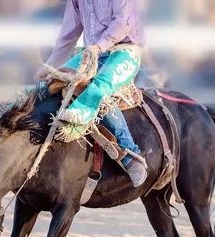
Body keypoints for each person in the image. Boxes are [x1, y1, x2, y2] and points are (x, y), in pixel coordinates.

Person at [34, 0, 147, 187]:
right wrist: (51, 66)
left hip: (125, 50)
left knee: (98, 87)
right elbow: (68, 34)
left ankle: (130, 155)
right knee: (49, 84)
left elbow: (124, 21)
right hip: (92, 53)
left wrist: (98, 47)